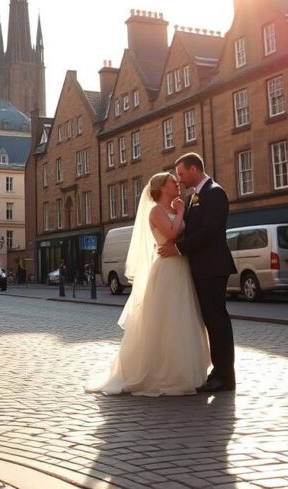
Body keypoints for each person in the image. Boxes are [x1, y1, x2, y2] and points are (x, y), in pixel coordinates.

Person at [86, 172, 210, 396]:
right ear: (162, 187)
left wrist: (181, 211)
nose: (177, 183)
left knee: (182, 317)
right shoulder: (156, 211)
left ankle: (184, 370)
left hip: (181, 267)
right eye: (173, 181)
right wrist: (181, 211)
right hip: (166, 269)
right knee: (164, 319)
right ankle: (159, 372)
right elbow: (171, 234)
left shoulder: (175, 208)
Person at [159, 153, 237, 393]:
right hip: (201, 268)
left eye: (181, 174)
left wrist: (178, 248)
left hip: (213, 267)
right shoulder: (195, 196)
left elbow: (210, 231)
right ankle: (218, 371)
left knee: (217, 320)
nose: (179, 179)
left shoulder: (215, 192)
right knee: (210, 321)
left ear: (194, 169)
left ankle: (225, 377)